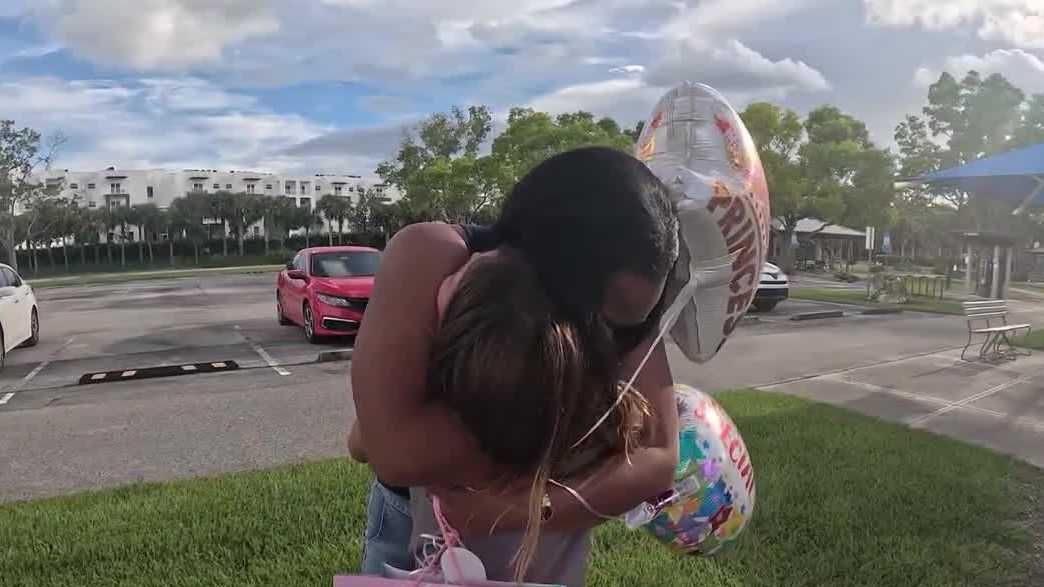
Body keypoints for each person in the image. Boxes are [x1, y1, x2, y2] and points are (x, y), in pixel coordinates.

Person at [350, 146, 681, 580]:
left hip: (547, 534)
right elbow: (396, 454)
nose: (615, 341)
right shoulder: (432, 253)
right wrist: (594, 438)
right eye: (601, 322)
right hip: (414, 525)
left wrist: (523, 509)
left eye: (633, 328)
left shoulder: (623, 294)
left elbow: (658, 459)